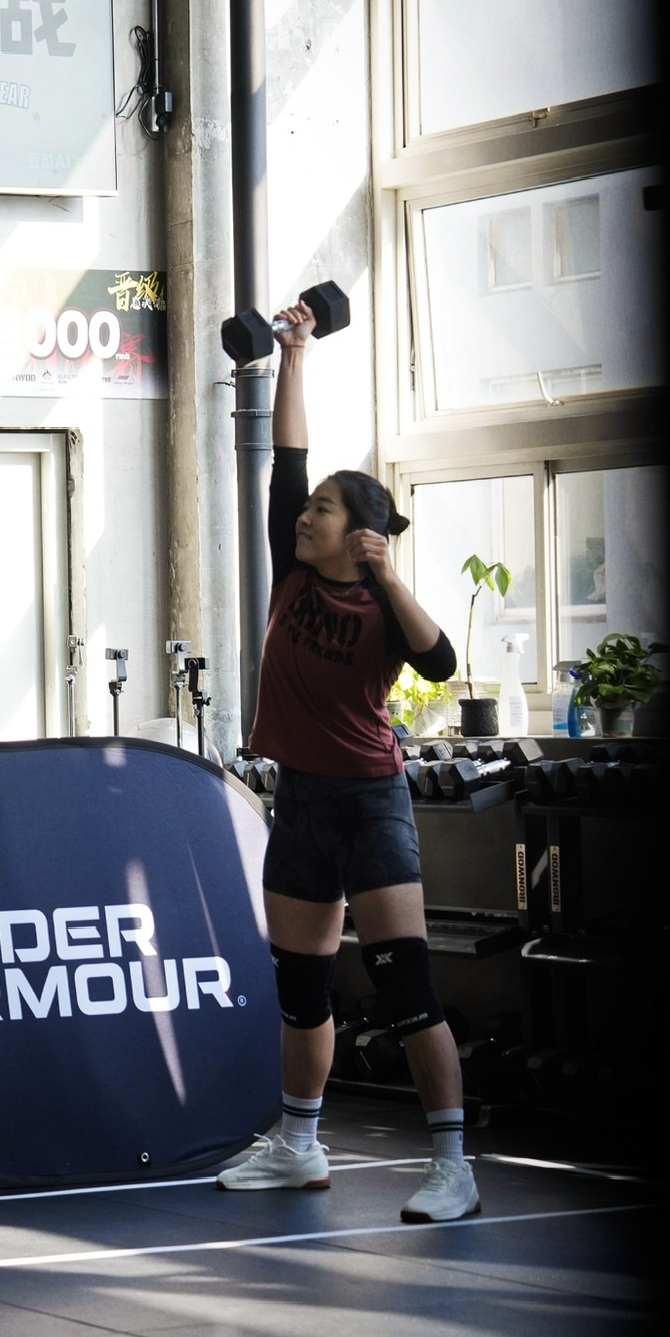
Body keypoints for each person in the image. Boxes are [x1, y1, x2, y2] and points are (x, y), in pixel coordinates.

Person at [217, 306, 476, 1223]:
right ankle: (299, 1145)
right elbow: (287, 456)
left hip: (371, 804)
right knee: (301, 990)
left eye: (323, 510)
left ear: (360, 533)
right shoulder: (291, 573)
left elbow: (441, 664)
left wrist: (390, 573)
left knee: (406, 988)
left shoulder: (382, 608)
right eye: (310, 507)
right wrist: (293, 353)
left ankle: (452, 1165)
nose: (305, 515)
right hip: (301, 803)